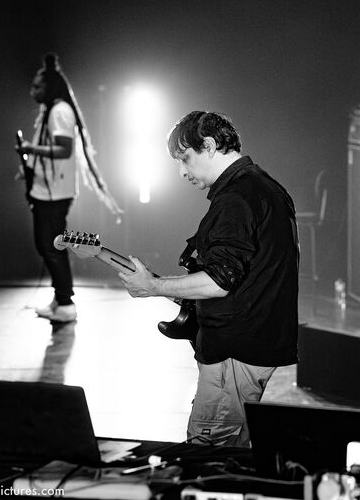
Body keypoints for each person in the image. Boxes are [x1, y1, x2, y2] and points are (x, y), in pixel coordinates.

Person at [118, 111, 299, 447]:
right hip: (255, 348)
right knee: (236, 455)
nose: (182, 171)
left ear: (211, 146)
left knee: (209, 452)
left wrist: (153, 286)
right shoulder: (266, 187)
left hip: (234, 352)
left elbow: (219, 281)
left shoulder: (236, 199)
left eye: (185, 158)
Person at [17, 53, 121, 323]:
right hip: (48, 190)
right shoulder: (53, 110)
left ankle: (65, 302)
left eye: (38, 87)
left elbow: (64, 150)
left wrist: (29, 148)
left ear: (49, 87)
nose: (33, 92)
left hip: (54, 194)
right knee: (49, 245)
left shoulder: (60, 112)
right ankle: (60, 298)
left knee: (51, 246)